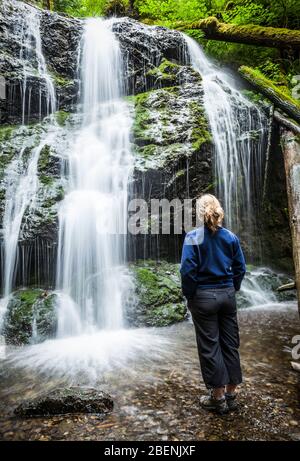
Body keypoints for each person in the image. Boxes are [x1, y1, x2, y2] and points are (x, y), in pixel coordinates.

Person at [180, 194, 246, 415]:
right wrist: (232, 288)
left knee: (210, 346)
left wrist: (190, 296)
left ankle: (217, 399)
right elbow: (240, 268)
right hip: (227, 295)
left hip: (204, 297)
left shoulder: (192, 237)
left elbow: (187, 270)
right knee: (230, 343)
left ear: (200, 213)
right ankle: (232, 395)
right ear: (219, 211)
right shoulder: (231, 237)